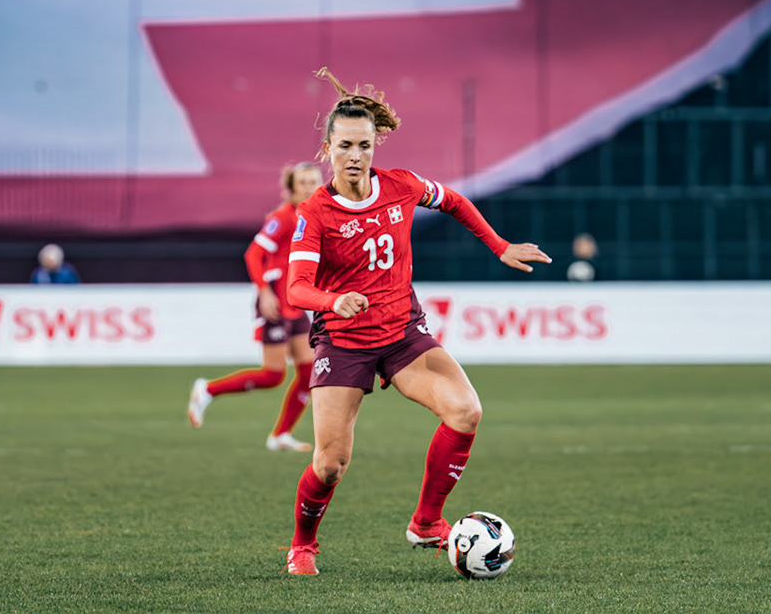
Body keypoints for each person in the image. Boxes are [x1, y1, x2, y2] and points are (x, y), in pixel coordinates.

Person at [279, 70, 549, 575]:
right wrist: (333, 301)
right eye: (344, 146)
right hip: (344, 343)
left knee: (466, 411)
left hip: (403, 334)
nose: (354, 156)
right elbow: (295, 289)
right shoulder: (315, 213)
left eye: (363, 145)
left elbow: (454, 201)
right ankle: (303, 544)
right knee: (329, 463)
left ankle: (427, 522)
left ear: (375, 144)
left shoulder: (401, 185)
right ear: (327, 147)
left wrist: (500, 246)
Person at [187, 162, 323, 451]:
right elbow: (254, 254)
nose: (311, 187)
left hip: (296, 303)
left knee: (310, 371)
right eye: (304, 183)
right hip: (275, 300)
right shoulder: (283, 217)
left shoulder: (315, 215)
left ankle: (280, 436)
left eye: (315, 181)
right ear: (292, 189)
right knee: (274, 375)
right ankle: (207, 389)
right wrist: (264, 292)